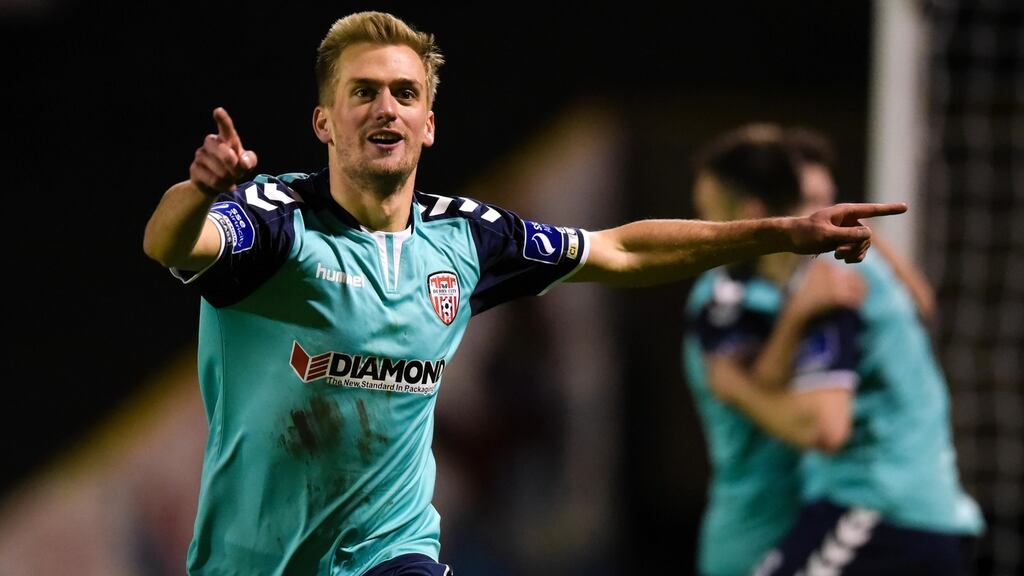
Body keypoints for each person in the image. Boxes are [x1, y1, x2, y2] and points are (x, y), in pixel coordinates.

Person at [142, 12, 905, 576]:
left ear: (429, 124)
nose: (387, 109)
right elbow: (173, 244)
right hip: (252, 557)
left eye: (405, 94)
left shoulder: (466, 237)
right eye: (364, 92)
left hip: (390, 550)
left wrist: (782, 232)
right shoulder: (277, 222)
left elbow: (619, 248)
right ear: (324, 121)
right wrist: (197, 191)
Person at [684, 125, 982, 576]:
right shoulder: (784, 287)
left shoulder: (829, 277)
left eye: (827, 201)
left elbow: (826, 427)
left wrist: (735, 387)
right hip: (908, 509)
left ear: (753, 210)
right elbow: (923, 304)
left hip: (878, 507)